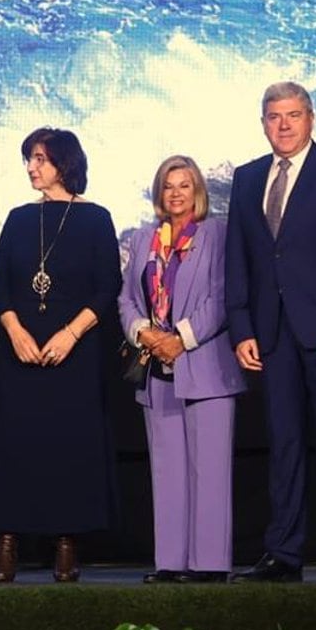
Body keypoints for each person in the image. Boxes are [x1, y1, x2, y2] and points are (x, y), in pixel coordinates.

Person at [225, 82, 316, 584]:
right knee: (283, 442)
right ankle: (283, 553)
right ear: (262, 122)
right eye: (273, 116)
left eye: (292, 115)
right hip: (270, 333)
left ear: (310, 118)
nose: (283, 125)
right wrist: (241, 327)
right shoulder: (246, 180)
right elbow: (239, 262)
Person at [0, 127, 120, 583]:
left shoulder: (96, 218)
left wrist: (71, 334)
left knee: (69, 447)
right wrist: (14, 329)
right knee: (15, 445)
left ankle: (66, 543)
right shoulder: (20, 218)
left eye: (40, 158)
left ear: (65, 163)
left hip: (73, 352)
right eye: (28, 159)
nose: (31, 167)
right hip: (20, 349)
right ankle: (7, 543)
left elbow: (107, 287)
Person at [119, 154, 244, 583]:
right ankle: (170, 563)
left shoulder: (218, 235)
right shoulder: (143, 239)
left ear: (198, 192)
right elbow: (126, 299)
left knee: (209, 471)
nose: (175, 193)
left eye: (184, 185)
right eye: (168, 186)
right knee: (167, 471)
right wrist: (143, 332)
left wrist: (180, 339)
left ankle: (209, 564)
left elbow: (223, 297)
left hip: (206, 367)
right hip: (157, 371)